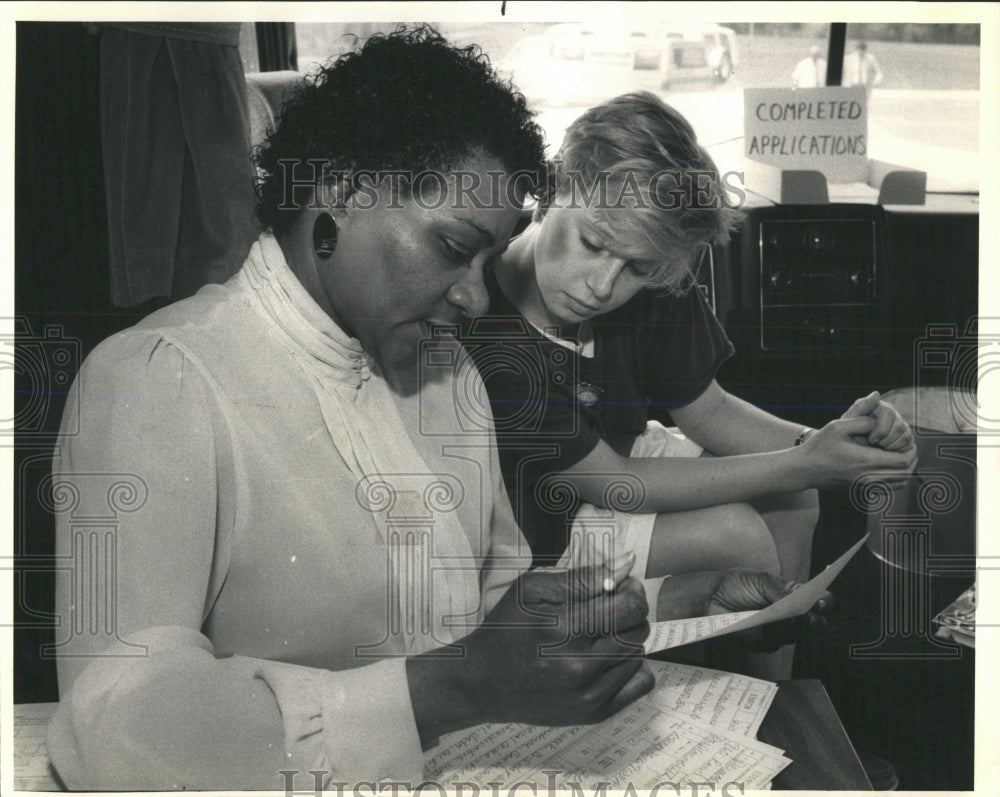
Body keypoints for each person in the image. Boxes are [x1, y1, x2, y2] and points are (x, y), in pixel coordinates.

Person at [44, 29, 807, 791]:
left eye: (488, 259)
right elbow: (111, 734)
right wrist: (449, 688)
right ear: (341, 190)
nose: (476, 294)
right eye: (451, 247)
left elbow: (488, 597)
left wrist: (675, 603)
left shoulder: (452, 378)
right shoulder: (158, 381)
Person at [469, 90, 916, 605]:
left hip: (615, 454)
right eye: (592, 244)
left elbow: (708, 411)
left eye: (637, 268)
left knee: (795, 496)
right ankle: (741, 656)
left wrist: (833, 443)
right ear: (552, 191)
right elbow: (613, 484)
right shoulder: (484, 321)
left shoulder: (654, 262)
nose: (601, 286)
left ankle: (776, 672)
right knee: (738, 535)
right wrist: (809, 461)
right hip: (536, 522)